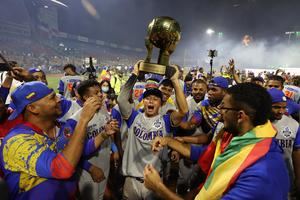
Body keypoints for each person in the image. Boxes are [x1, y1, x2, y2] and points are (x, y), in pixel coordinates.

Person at [144, 83, 289, 199]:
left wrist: (159, 188)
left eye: (224, 107)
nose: (219, 111)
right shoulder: (238, 137)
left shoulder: (261, 174)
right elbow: (207, 154)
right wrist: (168, 140)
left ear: (240, 116)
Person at [0, 81, 101, 199]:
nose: (59, 99)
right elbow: (62, 169)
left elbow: (78, 152)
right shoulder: (16, 141)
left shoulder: (62, 128)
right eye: (52, 97)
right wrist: (83, 120)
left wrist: (103, 135)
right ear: (33, 108)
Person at [117, 61, 188, 199]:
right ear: (143, 101)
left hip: (153, 183)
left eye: (155, 99)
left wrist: (174, 80)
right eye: (148, 98)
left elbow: (184, 110)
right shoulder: (134, 117)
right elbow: (121, 100)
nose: (150, 101)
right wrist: (134, 74)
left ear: (161, 104)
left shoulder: (166, 121)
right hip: (131, 181)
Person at [268, 88, 300, 199]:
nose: (281, 111)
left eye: (284, 107)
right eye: (276, 107)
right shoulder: (253, 124)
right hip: (260, 180)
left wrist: (298, 178)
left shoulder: (293, 125)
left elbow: (296, 151)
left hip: (285, 179)